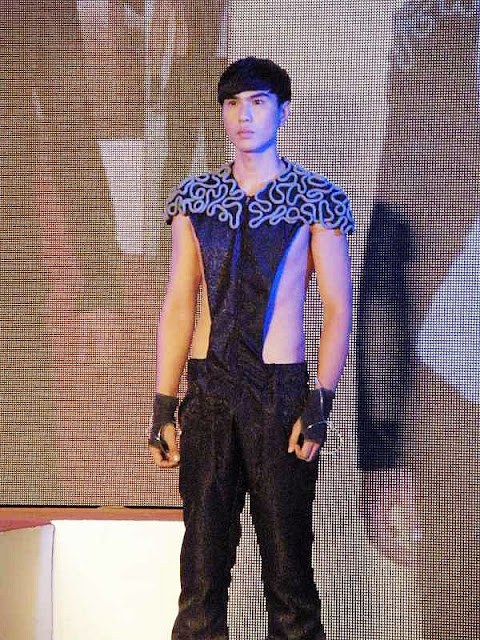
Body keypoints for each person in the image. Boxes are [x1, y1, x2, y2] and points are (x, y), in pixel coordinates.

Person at [149, 57, 354, 639]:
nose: (244, 115)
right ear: (222, 113)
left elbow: (338, 306)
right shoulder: (195, 199)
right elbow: (180, 304)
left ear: (282, 112)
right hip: (210, 394)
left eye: (258, 102)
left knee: (288, 575)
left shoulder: (317, 199)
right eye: (233, 103)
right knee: (201, 573)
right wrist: (164, 405)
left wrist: (320, 401)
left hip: (277, 396)